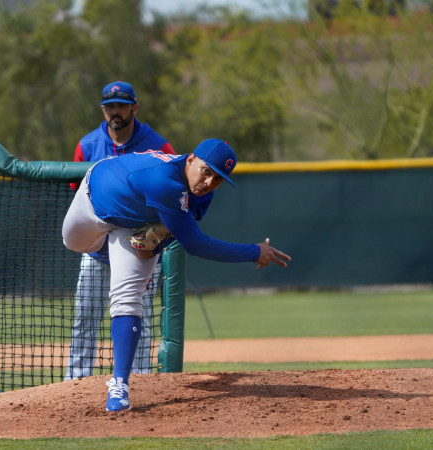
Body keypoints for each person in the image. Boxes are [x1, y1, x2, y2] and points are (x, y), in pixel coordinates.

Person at [61, 138, 291, 411]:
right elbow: (195, 244)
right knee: (72, 243)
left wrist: (158, 243)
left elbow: (181, 233)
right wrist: (253, 252)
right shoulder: (164, 182)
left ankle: (119, 385)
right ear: (191, 159)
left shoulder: (203, 194)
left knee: (128, 298)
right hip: (95, 199)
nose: (209, 182)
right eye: (206, 171)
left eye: (218, 179)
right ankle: (107, 254)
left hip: (133, 224)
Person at [64, 81, 175, 381]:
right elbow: (77, 195)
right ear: (102, 109)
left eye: (122, 105)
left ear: (134, 108)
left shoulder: (157, 145)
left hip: (139, 250)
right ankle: (76, 383)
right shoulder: (87, 145)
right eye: (110, 106)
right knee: (84, 320)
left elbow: (173, 193)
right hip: (97, 250)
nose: (116, 111)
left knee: (141, 318)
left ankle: (139, 380)